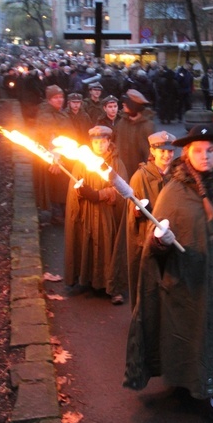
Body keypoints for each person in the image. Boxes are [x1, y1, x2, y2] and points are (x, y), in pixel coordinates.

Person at [124, 124, 213, 423]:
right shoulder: (173, 191)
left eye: (211, 149)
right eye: (198, 149)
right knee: (193, 335)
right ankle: (192, 381)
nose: (205, 155)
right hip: (189, 284)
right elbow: (153, 248)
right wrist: (160, 240)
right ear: (187, 153)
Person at [63, 126, 129, 304]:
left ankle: (112, 287)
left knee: (109, 247)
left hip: (107, 215)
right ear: (91, 143)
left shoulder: (116, 163)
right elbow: (73, 188)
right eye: (96, 142)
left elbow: (123, 191)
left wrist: (101, 194)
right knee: (87, 244)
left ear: (109, 142)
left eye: (103, 141)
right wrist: (80, 191)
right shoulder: (81, 162)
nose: (99, 145)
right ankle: (87, 279)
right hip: (87, 212)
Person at [125, 131, 176, 309]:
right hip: (147, 239)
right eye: (161, 151)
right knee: (148, 284)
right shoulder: (140, 177)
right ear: (152, 152)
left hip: (172, 237)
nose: (166, 155)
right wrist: (138, 211)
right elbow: (131, 213)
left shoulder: (178, 176)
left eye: (170, 151)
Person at [34, 85, 73, 224]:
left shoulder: (60, 113)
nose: (60, 100)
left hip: (65, 156)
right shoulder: (46, 115)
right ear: (49, 99)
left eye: (61, 97)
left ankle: (62, 211)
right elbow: (50, 138)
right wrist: (56, 159)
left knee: (63, 185)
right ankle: (57, 214)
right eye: (56, 98)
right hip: (55, 159)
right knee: (56, 185)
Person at [116, 89, 156, 177]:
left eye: (127, 102)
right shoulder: (121, 122)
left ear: (134, 106)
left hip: (140, 175)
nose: (123, 104)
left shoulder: (147, 126)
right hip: (121, 172)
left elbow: (150, 153)